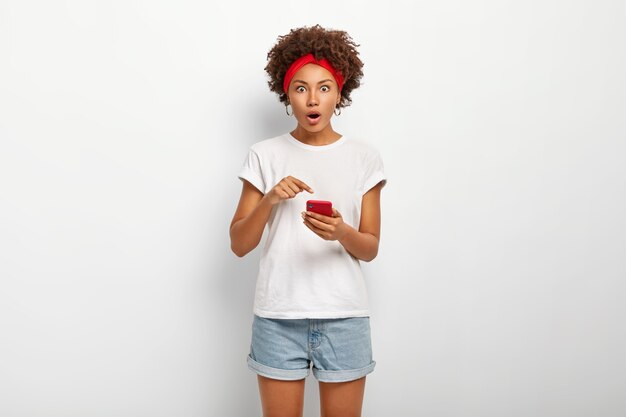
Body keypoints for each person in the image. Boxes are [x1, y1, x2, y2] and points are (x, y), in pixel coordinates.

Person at [229, 24, 387, 417]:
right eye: (301, 88)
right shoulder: (264, 154)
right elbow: (239, 244)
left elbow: (369, 248)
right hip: (278, 317)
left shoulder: (364, 158)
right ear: (287, 95)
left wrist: (342, 232)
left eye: (323, 88)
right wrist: (269, 199)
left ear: (339, 93)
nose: (312, 99)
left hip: (344, 316)